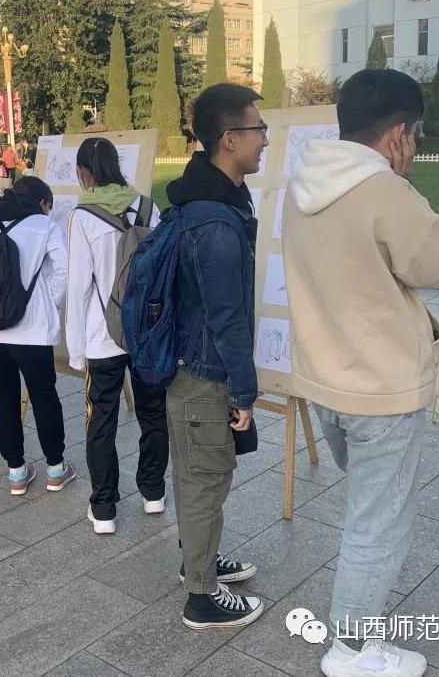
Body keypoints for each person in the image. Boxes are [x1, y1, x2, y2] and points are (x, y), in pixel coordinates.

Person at [283, 69, 439, 677]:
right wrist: (405, 186)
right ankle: (352, 649)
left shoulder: (301, 181)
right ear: (399, 135)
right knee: (377, 526)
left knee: (368, 511)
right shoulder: (384, 190)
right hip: (382, 388)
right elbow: (438, 260)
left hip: (323, 379)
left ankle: (357, 641)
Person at [164, 84, 264, 630]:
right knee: (205, 481)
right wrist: (243, 392)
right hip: (205, 375)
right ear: (229, 138)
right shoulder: (216, 224)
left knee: (198, 477)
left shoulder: (202, 202)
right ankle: (201, 597)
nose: (265, 140)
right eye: (258, 129)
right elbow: (228, 318)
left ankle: (198, 561)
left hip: (191, 367)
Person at [65, 136, 168, 535]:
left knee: (101, 420)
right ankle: (153, 492)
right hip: (147, 330)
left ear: (82, 172)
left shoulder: (82, 216)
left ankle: (104, 507)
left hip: (101, 334)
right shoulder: (148, 207)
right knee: (153, 413)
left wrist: (76, 350)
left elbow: (78, 287)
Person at [0, 177, 76, 496]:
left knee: (3, 398)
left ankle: (16, 473)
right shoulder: (45, 226)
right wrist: (47, 304)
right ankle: (55, 469)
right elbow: (64, 271)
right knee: (44, 395)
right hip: (32, 329)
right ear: (42, 203)